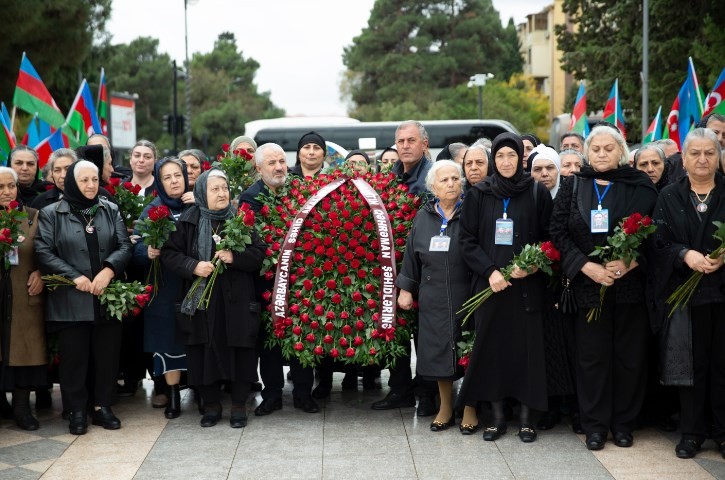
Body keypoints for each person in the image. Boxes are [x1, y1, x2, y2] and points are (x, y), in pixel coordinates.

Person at [549, 125, 658, 451]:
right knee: (591, 358)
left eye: (607, 148)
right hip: (588, 285)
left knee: (629, 357)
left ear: (621, 152)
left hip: (628, 287)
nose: (600, 153)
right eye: (595, 148)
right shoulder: (573, 184)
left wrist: (633, 259)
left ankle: (623, 424)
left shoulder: (640, 186)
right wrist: (586, 266)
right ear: (587, 152)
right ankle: (595, 425)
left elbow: (657, 231)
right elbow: (557, 230)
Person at [457, 132, 553, 443]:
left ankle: (527, 418)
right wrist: (490, 272)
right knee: (493, 352)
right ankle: (496, 418)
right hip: (492, 288)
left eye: (512, 156)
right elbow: (467, 241)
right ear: (493, 160)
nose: (507, 161)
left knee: (528, 352)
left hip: (528, 288)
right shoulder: (478, 194)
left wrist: (535, 263)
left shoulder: (537, 192)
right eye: (500, 156)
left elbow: (550, 238)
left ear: (521, 159)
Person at [162, 168, 266, 428]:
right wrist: (193, 266)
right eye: (215, 189)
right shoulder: (188, 221)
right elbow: (170, 254)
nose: (222, 194)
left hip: (237, 299)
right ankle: (211, 405)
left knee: (241, 350)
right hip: (202, 301)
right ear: (201, 193)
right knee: (203, 349)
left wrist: (235, 258)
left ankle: (239, 405)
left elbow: (259, 253)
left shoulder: (240, 219)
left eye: (225, 188)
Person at [35, 160, 132, 435]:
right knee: (74, 358)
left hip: (105, 295)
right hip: (70, 297)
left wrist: (109, 270)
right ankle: (76, 410)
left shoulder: (109, 209)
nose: (91, 185)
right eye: (84, 180)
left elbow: (125, 244)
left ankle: (102, 406)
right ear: (71, 183)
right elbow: (43, 251)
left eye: (94, 180)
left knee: (107, 355)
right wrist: (74, 276)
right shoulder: (52, 213)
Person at [649, 128, 725, 459]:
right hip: (685, 295)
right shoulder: (668, 195)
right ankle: (692, 432)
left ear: (718, 156)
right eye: (695, 153)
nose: (702, 159)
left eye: (710, 152)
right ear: (684, 156)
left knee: (723, 366)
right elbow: (657, 243)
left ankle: (722, 432)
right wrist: (684, 255)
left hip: (722, 295)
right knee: (691, 367)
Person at [241, 143, 320, 415]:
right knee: (269, 342)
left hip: (299, 280)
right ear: (259, 168)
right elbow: (252, 240)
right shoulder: (250, 198)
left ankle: (303, 394)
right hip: (266, 283)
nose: (278, 167)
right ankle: (272, 395)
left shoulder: (298, 190)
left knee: (301, 335)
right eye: (272, 163)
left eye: (281, 162)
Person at [395, 160, 472, 432]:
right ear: (433, 187)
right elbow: (411, 257)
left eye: (455, 178)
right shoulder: (424, 216)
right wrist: (406, 288)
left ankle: (470, 408)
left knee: (469, 347)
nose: (451, 184)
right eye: (444, 180)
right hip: (433, 294)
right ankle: (446, 406)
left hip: (468, 293)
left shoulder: (471, 212)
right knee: (438, 350)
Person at [372, 120, 437, 417]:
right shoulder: (390, 177)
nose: (406, 146)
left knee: (424, 336)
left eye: (411, 141)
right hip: (393, 266)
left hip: (427, 268)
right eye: (401, 142)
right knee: (396, 330)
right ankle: (399, 389)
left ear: (425, 144)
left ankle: (427, 393)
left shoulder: (433, 177)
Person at [131, 158, 191, 419]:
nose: (174, 181)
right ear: (159, 181)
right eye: (167, 177)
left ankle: (201, 390)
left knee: (195, 339)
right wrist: (148, 251)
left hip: (194, 283)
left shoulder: (196, 205)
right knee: (168, 342)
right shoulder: (153, 209)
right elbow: (135, 250)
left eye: (178, 175)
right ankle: (173, 394)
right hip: (164, 287)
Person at [0, 167, 47, 431]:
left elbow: (47, 250)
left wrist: (41, 271)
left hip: (23, 296)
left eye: (11, 186)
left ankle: (21, 407)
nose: (7, 192)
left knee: (24, 350)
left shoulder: (31, 217)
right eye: (0, 187)